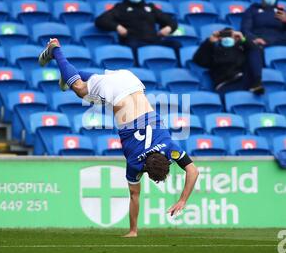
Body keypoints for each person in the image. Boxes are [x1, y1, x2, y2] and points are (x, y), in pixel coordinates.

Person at [38, 39, 199, 237]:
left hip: (131, 81)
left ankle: (68, 73)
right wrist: (134, 230)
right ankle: (56, 50)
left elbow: (193, 171)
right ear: (146, 169)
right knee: (81, 90)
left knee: (91, 85)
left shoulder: (169, 148)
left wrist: (183, 200)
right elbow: (134, 195)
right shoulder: (134, 162)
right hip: (116, 92)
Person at [95, 0, 181, 63]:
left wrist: (168, 28)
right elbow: (100, 20)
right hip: (134, 42)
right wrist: (117, 27)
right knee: (133, 46)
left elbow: (172, 22)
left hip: (154, 41)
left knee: (176, 44)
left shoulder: (150, 7)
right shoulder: (121, 8)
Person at [241, 0, 286, 93]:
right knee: (252, 46)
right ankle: (257, 82)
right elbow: (245, 29)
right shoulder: (252, 10)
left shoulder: (281, 12)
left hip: (279, 41)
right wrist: (253, 38)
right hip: (260, 42)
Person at [193, 27, 265, 94]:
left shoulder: (241, 50)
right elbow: (198, 60)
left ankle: (257, 82)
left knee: (254, 52)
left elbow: (255, 51)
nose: (228, 37)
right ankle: (255, 83)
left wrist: (243, 39)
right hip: (226, 84)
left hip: (243, 81)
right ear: (220, 38)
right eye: (225, 35)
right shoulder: (214, 51)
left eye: (230, 35)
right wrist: (209, 42)